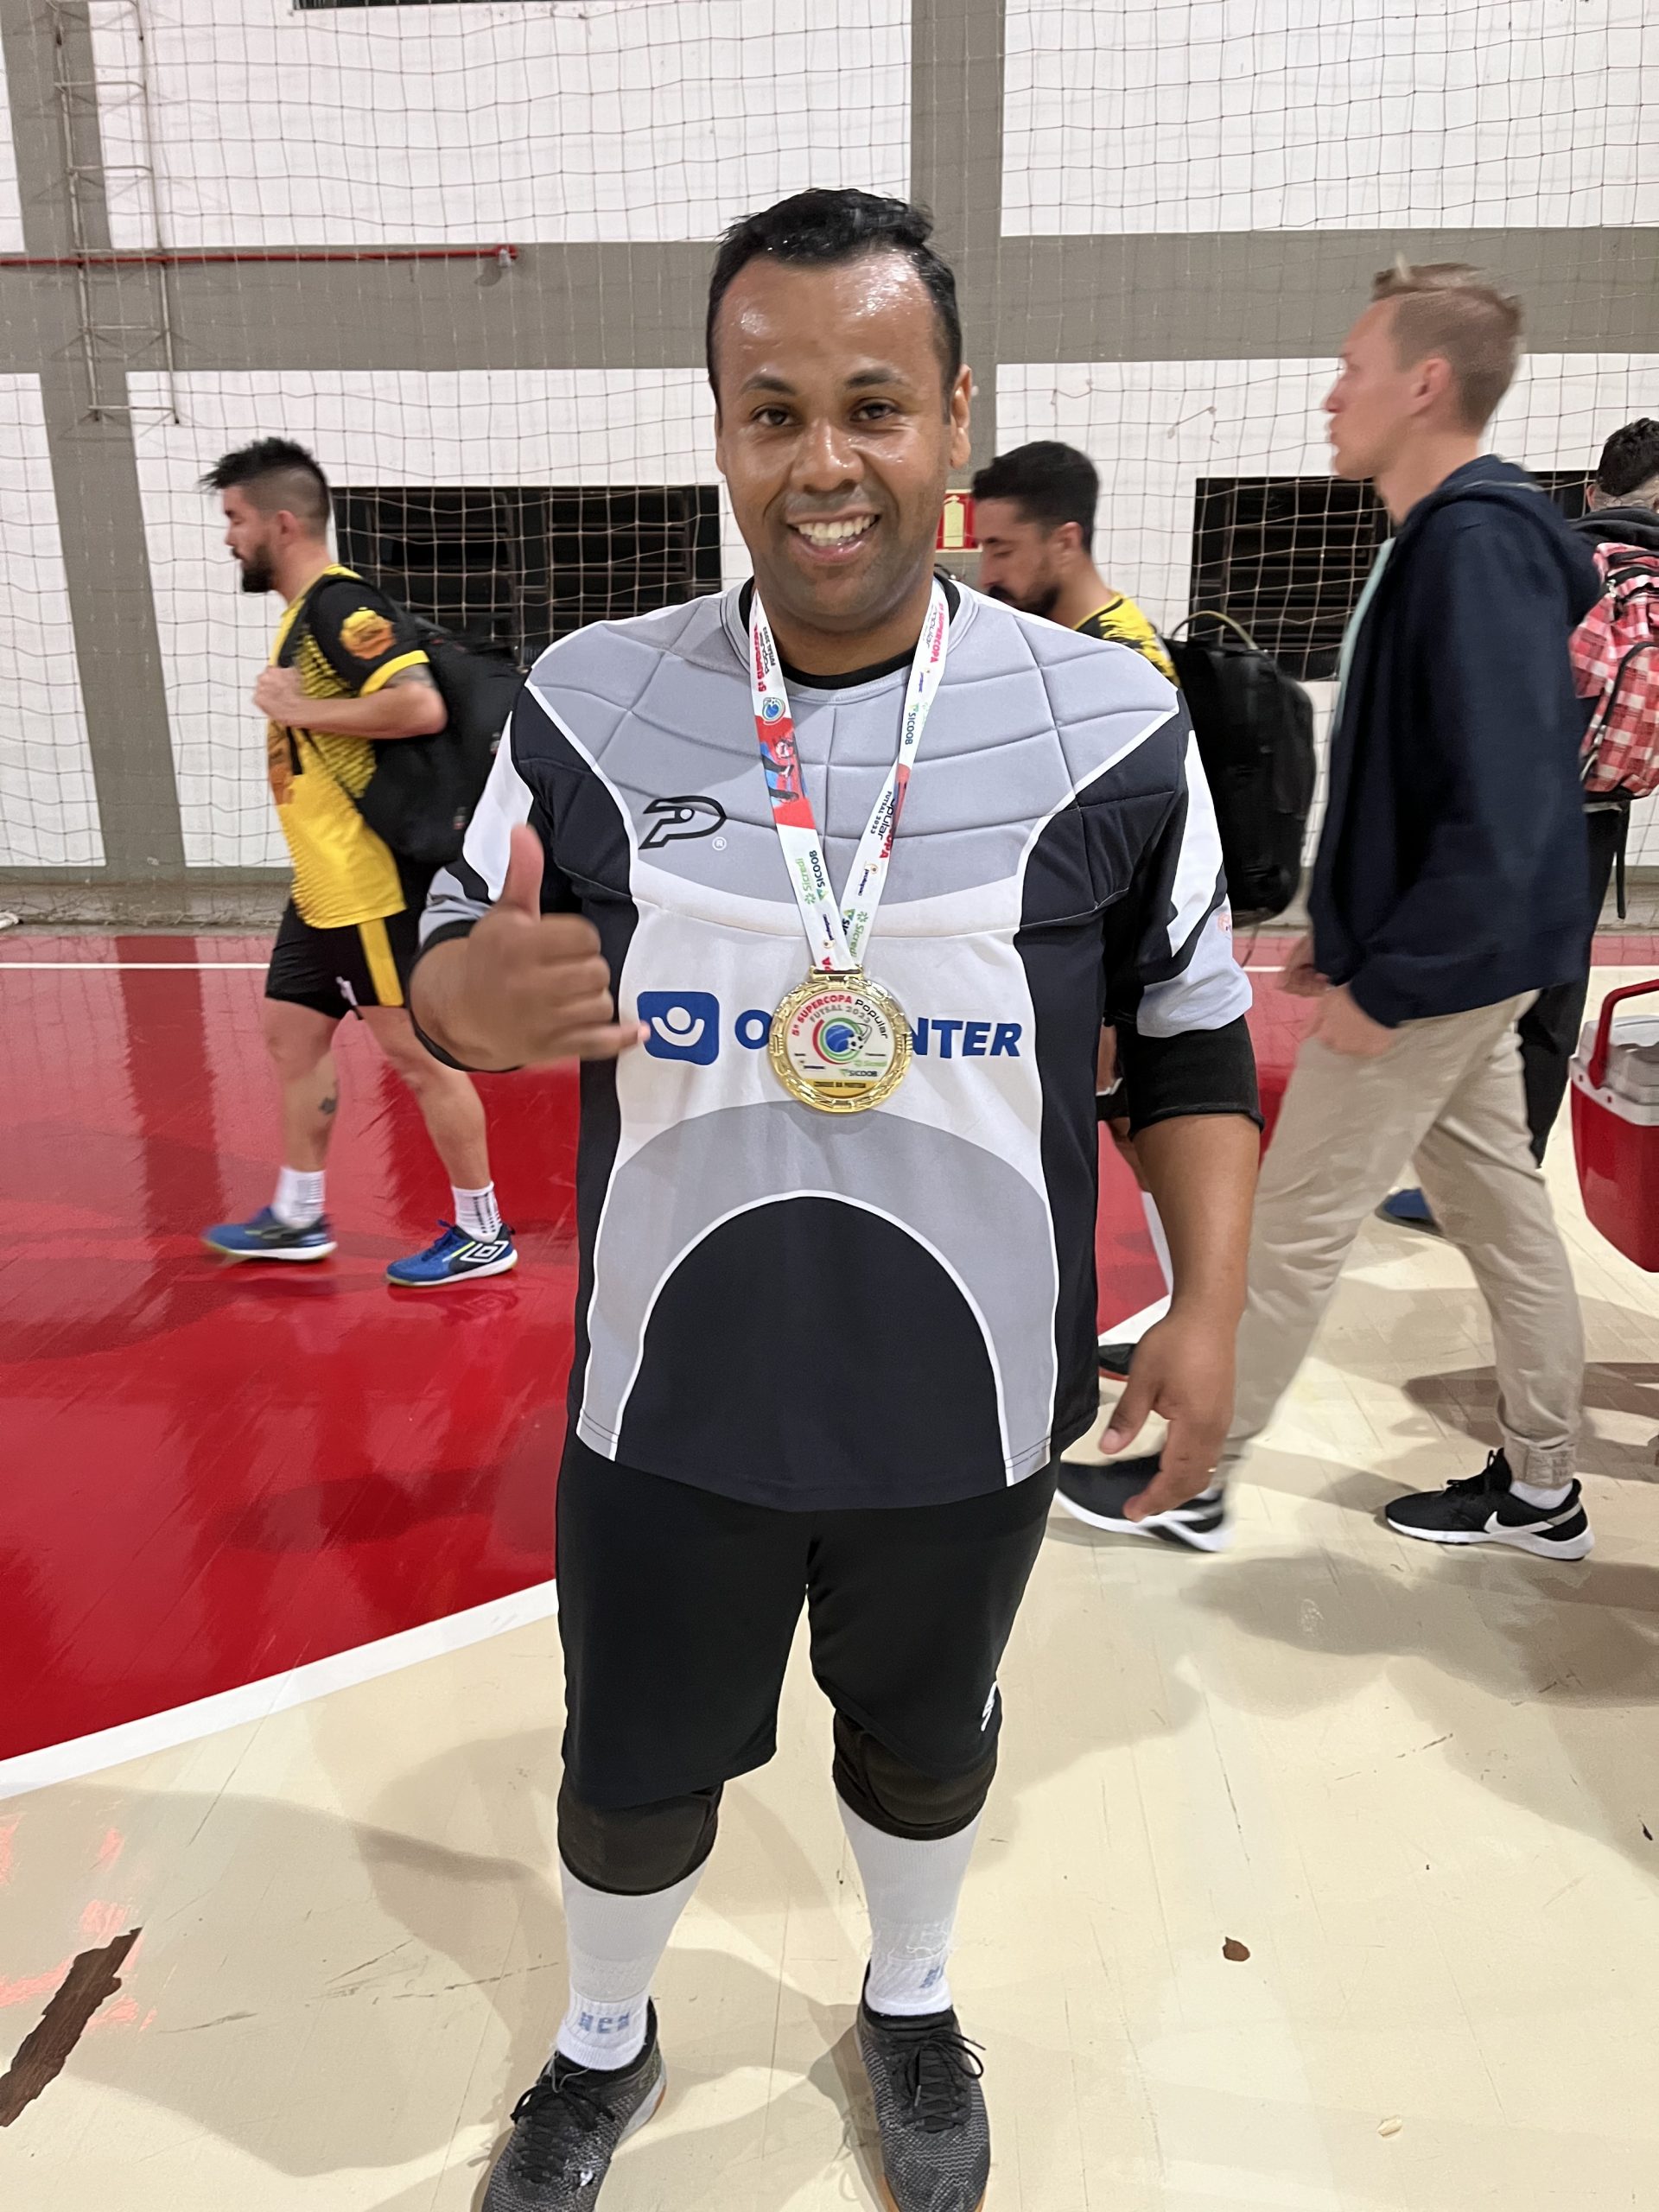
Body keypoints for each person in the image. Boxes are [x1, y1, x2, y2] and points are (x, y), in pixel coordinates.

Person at [410, 188, 1261, 2209]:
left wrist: (1212, 1305)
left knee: (929, 1745)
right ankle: (603, 2038)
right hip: (668, 1405)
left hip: (967, 1411)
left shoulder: (1109, 720)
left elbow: (1194, 1039)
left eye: (871, 406)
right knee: (630, 1774)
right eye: (771, 409)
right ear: (720, 427)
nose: (823, 461)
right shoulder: (590, 697)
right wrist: (464, 1001)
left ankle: (911, 1998)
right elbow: (443, 946)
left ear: (955, 416)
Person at [1058, 260, 1601, 1560]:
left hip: (1444, 972)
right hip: (1463, 961)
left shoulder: (1474, 547)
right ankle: (1544, 1489)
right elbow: (1431, 777)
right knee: (1506, 1222)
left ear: (1426, 383)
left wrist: (1392, 975)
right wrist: (1343, 928)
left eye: (1353, 369)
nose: (1329, 395)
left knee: (1288, 1227)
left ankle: (1191, 1479)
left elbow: (1506, 803)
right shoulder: (1447, 542)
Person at [198, 439, 516, 1287]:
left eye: (235, 519)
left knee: (419, 1057)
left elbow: (417, 704)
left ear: (282, 523)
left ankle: (484, 1230)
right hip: (320, 890)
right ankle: (299, 1214)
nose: (228, 537)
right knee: (290, 1034)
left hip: (368, 887)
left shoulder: (341, 608)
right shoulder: (301, 616)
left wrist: (299, 707)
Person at [1378, 413, 1659, 1236]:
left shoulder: (1553, 557)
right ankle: (1508, 1192)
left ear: (1592, 492)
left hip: (1505, 815)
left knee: (1464, 1003)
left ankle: (1454, 1189)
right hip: (1599, 820)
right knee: (1550, 1014)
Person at [974, 438, 1181, 1372]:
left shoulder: (1124, 662)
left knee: (1140, 1123)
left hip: (1114, 962)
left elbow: (1138, 850)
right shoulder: (1056, 647)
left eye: (1003, 549)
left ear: (1065, 540)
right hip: (1063, 958)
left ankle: (1189, 1304)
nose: (988, 572)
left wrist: (1104, 1005)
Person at [972, 438, 1177, 679]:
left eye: (1002, 552)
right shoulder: (1077, 639)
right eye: (984, 550)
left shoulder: (1121, 668)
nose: (986, 577)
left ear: (1065, 543)